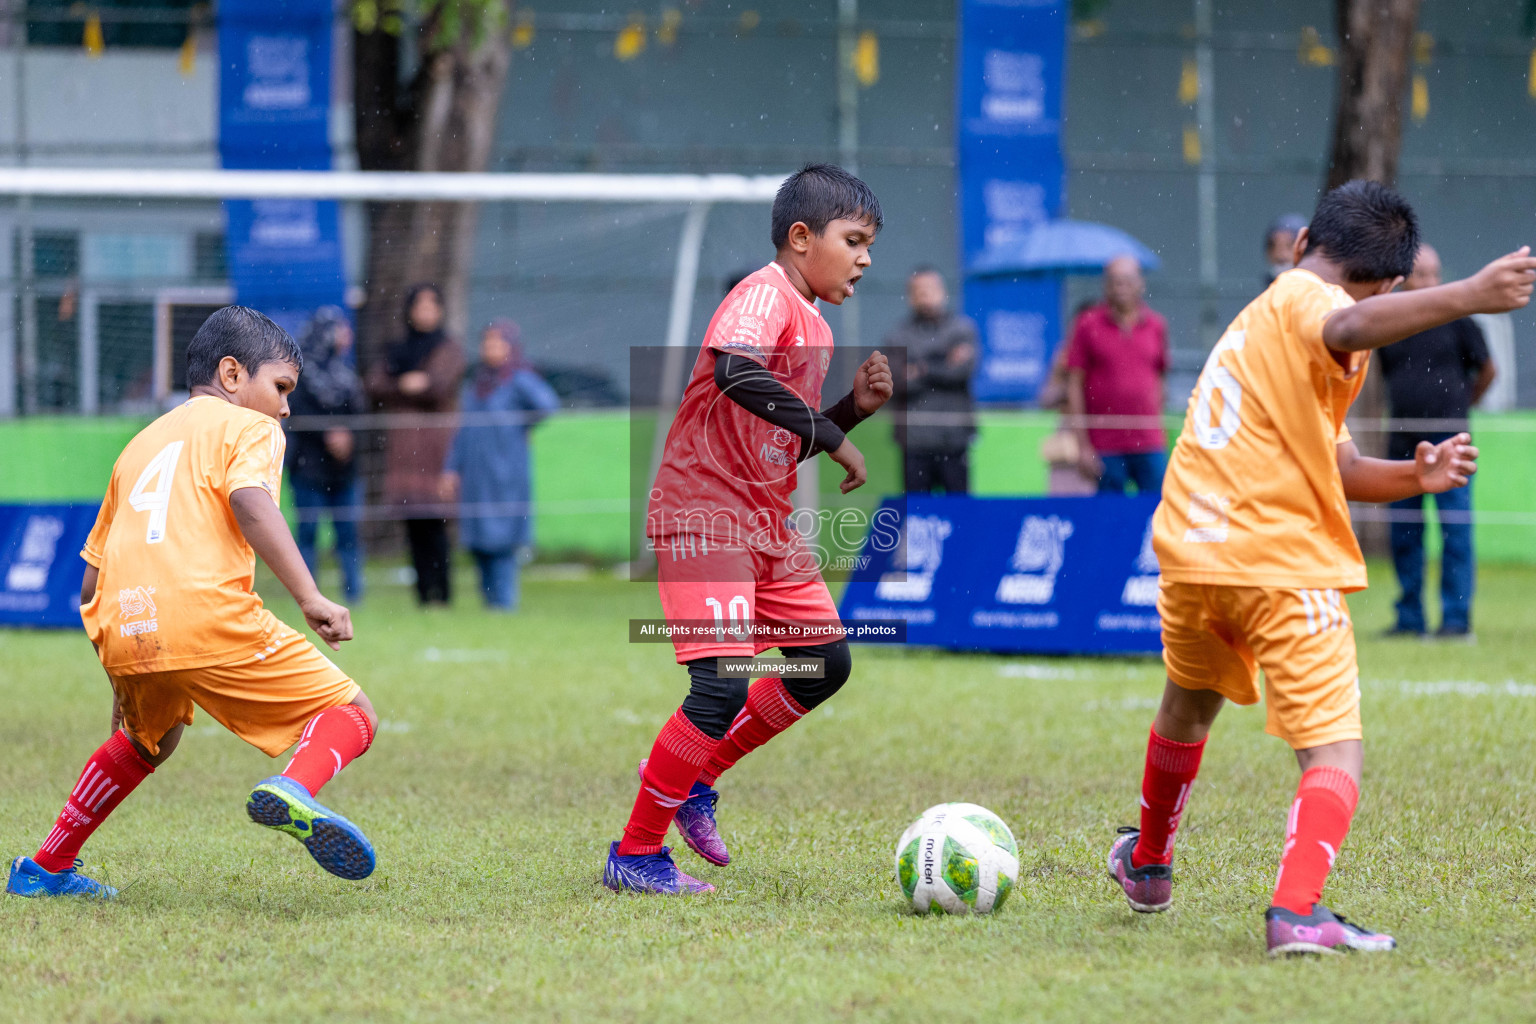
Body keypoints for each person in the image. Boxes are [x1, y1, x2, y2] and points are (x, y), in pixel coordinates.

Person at [1104, 180, 1534, 956]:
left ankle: (1149, 863)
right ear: (1394, 283)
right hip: (1276, 559)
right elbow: (1347, 315)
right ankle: (1297, 913)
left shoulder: (1267, 328)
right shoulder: (1307, 299)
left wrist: (1414, 474)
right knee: (1335, 749)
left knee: (1188, 707)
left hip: (1195, 553)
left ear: (1304, 237)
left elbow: (1336, 461)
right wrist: (1467, 293)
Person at [7, 307, 381, 900]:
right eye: (281, 387)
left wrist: (123, 666)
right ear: (232, 375)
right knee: (353, 715)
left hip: (124, 620)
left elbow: (89, 584)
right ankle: (294, 788)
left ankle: (45, 868)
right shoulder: (250, 428)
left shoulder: (138, 446)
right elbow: (251, 501)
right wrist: (309, 596)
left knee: (146, 740)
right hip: (205, 612)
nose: (285, 407)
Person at [605, 163, 893, 894]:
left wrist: (850, 413)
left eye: (870, 244)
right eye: (853, 240)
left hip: (765, 524)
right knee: (721, 688)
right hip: (707, 514)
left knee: (824, 662)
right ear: (802, 238)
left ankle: (697, 777)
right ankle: (635, 856)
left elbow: (775, 440)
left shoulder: (815, 325)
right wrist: (835, 435)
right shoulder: (761, 294)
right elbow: (736, 370)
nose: (866, 258)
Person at [1378, 243, 1497, 638]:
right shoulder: (1388, 322)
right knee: (1405, 534)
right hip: (1402, 444)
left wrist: (1463, 405)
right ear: (1403, 278)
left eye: (1434, 273)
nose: (1429, 281)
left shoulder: (1459, 320)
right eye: (1421, 274)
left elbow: (1487, 370)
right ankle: (1410, 619)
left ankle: (1455, 621)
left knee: (1456, 532)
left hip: (1452, 439)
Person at [440, 320, 560, 611]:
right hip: (477, 475)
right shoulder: (476, 383)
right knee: (479, 541)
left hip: (506, 473)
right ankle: (489, 604)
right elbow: (463, 431)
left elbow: (547, 405)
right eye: (487, 343)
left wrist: (523, 425)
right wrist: (451, 468)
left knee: (503, 541)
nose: (491, 349)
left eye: (498, 343)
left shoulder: (519, 379)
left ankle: (505, 604)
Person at [368, 284, 466, 607]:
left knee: (437, 526)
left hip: (436, 451)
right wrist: (404, 384)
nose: (424, 313)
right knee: (414, 527)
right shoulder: (398, 350)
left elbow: (437, 386)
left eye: (430, 306)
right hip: (404, 453)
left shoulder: (448, 348)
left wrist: (406, 386)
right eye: (418, 306)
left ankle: (444, 594)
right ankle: (424, 596)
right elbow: (375, 384)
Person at [1065, 255, 1169, 495]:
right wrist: (1082, 444)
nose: (1120, 287)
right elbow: (1074, 384)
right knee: (1109, 519)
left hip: (1149, 442)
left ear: (1141, 284)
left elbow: (1160, 379)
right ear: (1105, 285)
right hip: (1105, 444)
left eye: (1127, 280)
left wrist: (1158, 425)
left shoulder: (1156, 325)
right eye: (1114, 281)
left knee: (1155, 514)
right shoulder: (1087, 324)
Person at [287, 306, 366, 603]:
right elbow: (294, 415)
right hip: (308, 468)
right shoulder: (299, 376)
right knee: (307, 533)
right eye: (340, 328)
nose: (347, 335)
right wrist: (327, 433)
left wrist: (347, 437)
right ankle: (307, 596)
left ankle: (354, 595)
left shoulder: (347, 375)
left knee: (348, 534)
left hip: (343, 470)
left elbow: (360, 415)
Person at [887, 266, 977, 494]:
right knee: (917, 516)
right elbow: (896, 381)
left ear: (943, 292)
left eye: (931, 289)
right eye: (919, 291)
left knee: (959, 515)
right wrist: (943, 362)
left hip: (954, 440)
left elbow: (962, 372)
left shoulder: (962, 329)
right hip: (914, 442)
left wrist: (920, 368)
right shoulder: (898, 334)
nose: (925, 296)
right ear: (910, 296)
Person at [1264, 213, 1308, 285]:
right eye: (1273, 246)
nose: (1281, 255)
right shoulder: (1263, 293)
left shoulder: (1323, 291)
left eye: (1290, 246)